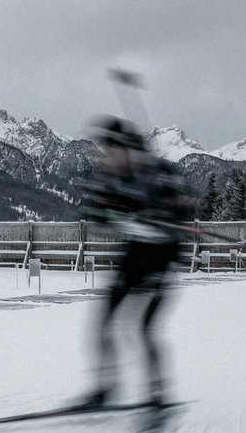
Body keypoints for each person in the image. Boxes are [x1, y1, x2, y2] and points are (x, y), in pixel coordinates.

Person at [77, 116, 193, 409]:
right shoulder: (111, 177)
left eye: (111, 151)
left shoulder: (156, 174)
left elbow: (181, 216)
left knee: (144, 327)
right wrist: (109, 209)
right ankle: (105, 388)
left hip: (162, 259)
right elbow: (97, 214)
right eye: (103, 152)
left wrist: (161, 212)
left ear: (126, 149)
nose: (105, 158)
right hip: (133, 256)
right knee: (104, 321)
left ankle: (157, 393)